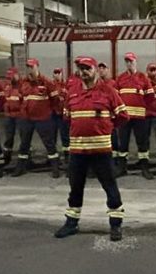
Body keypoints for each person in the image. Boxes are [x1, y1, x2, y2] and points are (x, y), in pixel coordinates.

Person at [54, 56, 129, 241]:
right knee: (75, 188)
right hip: (78, 151)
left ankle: (115, 225)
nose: (84, 72)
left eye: (87, 68)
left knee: (110, 186)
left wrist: (106, 129)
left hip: (101, 151)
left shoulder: (108, 91)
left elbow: (123, 116)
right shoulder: (72, 92)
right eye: (81, 68)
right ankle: (71, 223)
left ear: (95, 69)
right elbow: (67, 118)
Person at [13, 59, 60, 178]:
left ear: (37, 67)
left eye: (32, 66)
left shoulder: (47, 82)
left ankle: (55, 167)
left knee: (49, 144)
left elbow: (55, 100)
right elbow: (20, 99)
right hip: (26, 119)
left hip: (43, 118)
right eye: (28, 67)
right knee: (24, 144)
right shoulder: (23, 83)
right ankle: (20, 167)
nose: (29, 69)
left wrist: (49, 113)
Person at [114, 52, 155, 178]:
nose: (129, 64)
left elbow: (150, 96)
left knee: (142, 142)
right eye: (127, 61)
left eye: (131, 61)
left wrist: (141, 107)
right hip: (125, 118)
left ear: (135, 62)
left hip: (139, 118)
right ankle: (122, 168)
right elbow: (115, 97)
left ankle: (144, 167)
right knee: (123, 143)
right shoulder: (120, 78)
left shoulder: (143, 78)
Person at [0, 67, 24, 168]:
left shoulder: (23, 85)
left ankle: (25, 158)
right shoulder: (6, 85)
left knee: (24, 137)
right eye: (8, 77)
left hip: (20, 116)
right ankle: (7, 157)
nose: (9, 79)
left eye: (11, 76)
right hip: (8, 116)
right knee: (8, 138)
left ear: (17, 75)